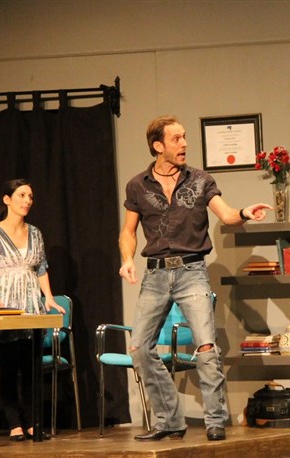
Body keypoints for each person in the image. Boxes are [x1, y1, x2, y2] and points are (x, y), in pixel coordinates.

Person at [119, 115, 272, 442]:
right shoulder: (137, 185)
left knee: (206, 348)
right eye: (176, 139)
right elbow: (128, 232)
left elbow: (227, 215)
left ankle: (215, 421)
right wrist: (127, 260)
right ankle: (169, 421)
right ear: (157, 146)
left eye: (185, 137)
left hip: (192, 272)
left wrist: (244, 213)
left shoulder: (200, 180)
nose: (184, 144)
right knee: (140, 349)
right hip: (156, 274)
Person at [0, 179, 65, 442]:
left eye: (30, 196)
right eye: (22, 195)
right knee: (8, 366)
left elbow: (41, 269)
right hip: (3, 304)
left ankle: (34, 422)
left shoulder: (35, 233)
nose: (27, 201)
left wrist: (49, 297)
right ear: (7, 199)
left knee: (31, 365)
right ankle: (14, 423)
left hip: (30, 304)